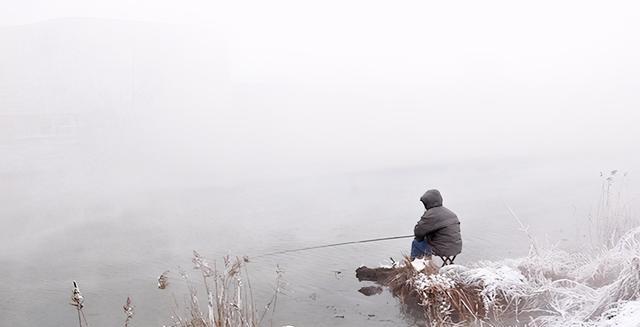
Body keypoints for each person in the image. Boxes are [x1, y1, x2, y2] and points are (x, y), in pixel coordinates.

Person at [411, 189, 462, 262]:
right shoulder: (450, 213)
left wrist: (420, 238)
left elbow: (418, 232)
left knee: (416, 243)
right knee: (424, 240)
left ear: (428, 202)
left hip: (443, 249)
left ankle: (417, 266)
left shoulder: (431, 214)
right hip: (456, 248)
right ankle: (426, 264)